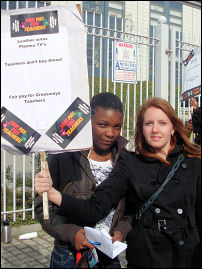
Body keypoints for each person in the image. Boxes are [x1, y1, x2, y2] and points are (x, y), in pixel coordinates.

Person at [35, 97, 201, 268]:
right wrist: (52, 194)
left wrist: (121, 230)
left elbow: (131, 210)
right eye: (149, 123)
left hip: (184, 254)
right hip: (137, 255)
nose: (155, 130)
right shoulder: (130, 163)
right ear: (141, 129)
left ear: (173, 127)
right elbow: (94, 208)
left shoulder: (193, 161)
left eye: (163, 123)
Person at [34, 92, 131, 268]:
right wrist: (72, 233)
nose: (110, 133)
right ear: (88, 122)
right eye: (102, 125)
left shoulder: (125, 159)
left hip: (108, 256)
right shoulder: (63, 156)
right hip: (68, 256)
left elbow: (132, 207)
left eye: (117, 126)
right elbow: (43, 208)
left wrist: (121, 230)